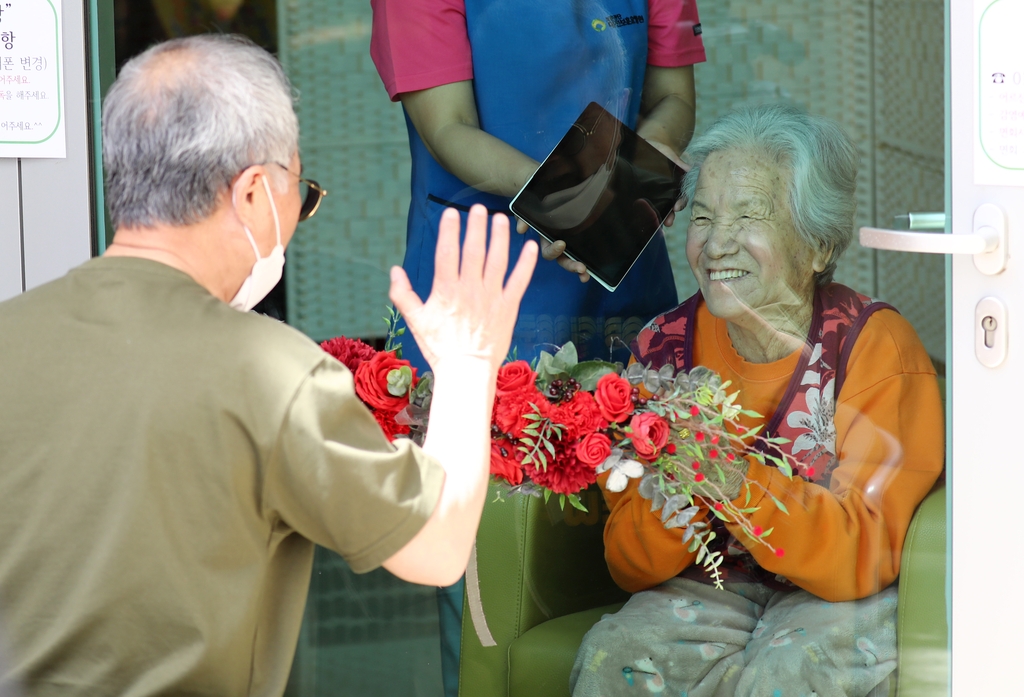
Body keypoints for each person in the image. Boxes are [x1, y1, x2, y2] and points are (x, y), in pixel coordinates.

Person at [0, 35, 537, 696]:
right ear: (253, 192)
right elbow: (438, 545)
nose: (296, 216)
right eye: (300, 193)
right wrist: (469, 364)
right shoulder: (267, 371)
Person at [370, 4, 705, 690]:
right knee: (488, 575)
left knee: (640, 548)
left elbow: (672, 98)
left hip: (621, 263)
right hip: (486, 275)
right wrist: (571, 199)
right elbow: (449, 128)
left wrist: (640, 168)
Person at [570, 105, 944, 697]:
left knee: (787, 673)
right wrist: (677, 512)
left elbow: (866, 552)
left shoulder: (873, 347)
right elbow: (626, 561)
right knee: (615, 657)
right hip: (705, 588)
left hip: (836, 597)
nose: (717, 244)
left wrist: (735, 481)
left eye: (749, 217)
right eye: (703, 217)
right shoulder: (659, 351)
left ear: (818, 246)